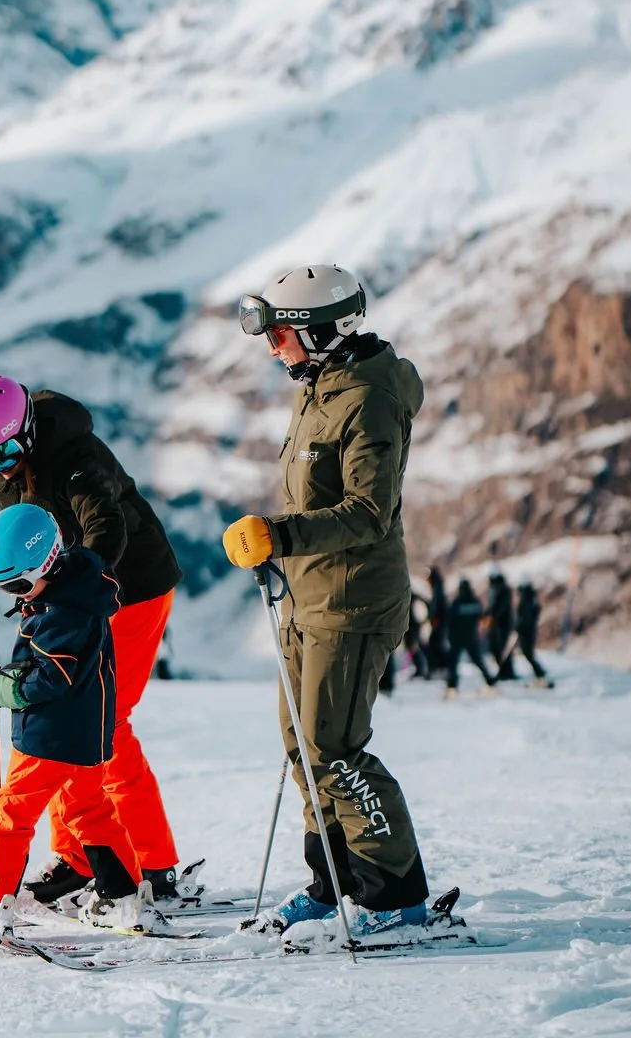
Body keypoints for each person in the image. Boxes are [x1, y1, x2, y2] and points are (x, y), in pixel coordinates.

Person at [223, 264, 430, 942]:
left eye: (278, 334)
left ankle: (396, 895)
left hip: (354, 601)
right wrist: (280, 548)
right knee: (303, 747)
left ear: (318, 332)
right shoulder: (319, 388)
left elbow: (369, 511)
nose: (271, 347)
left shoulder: (368, 398)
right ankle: (333, 881)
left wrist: (280, 535)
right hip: (308, 596)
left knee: (335, 748)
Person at [0, 374, 189, 905]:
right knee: (71, 724)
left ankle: (152, 864)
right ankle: (79, 859)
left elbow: (106, 526)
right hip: (76, 597)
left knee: (102, 724)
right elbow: (23, 539)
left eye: (3, 453)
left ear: (26, 429)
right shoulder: (10, 466)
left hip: (133, 589)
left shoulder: (74, 455)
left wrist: (79, 588)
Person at [0, 501, 166, 939]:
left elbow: (52, 677)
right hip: (85, 733)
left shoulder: (59, 614)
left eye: (16, 584)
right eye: (2, 587)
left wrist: (3, 687)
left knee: (11, 814)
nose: (13, 594)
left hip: (49, 735)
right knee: (88, 810)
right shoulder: (78, 588)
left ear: (44, 564)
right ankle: (123, 898)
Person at [445, 579, 497, 694]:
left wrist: (450, 635)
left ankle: (452, 685)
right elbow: (482, 617)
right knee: (478, 661)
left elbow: (450, 619)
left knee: (453, 662)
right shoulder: (475, 601)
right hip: (471, 637)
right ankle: (490, 680)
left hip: (458, 638)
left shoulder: (458, 602)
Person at [515, 582, 554, 686]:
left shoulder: (527, 601)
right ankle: (540, 674)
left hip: (527, 631)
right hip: (529, 630)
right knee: (528, 654)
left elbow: (526, 618)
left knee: (528, 653)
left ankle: (540, 674)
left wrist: (519, 626)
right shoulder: (532, 599)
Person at [486, 571, 517, 681]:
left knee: (503, 649)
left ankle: (507, 672)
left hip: (503, 625)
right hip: (496, 625)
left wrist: (491, 617)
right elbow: (491, 607)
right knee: (496, 648)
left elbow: (498, 608)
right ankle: (503, 670)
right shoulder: (494, 591)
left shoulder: (503, 591)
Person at [424, 566, 450, 674]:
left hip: (439, 622)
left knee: (436, 644)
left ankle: (440, 668)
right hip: (439, 621)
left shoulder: (437, 589)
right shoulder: (437, 588)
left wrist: (434, 617)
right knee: (436, 643)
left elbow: (438, 605)